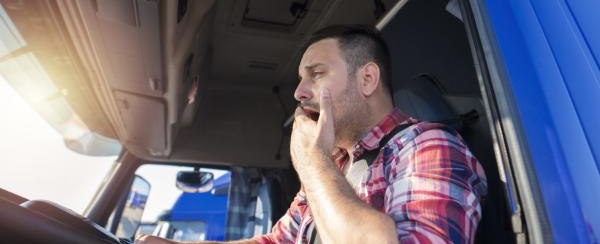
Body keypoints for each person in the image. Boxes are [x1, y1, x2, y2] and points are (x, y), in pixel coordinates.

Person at [136, 25, 487, 244]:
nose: (299, 93)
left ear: (367, 79)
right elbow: (279, 241)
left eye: (316, 74)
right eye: (300, 80)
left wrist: (310, 159)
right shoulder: (334, 166)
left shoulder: (428, 146)